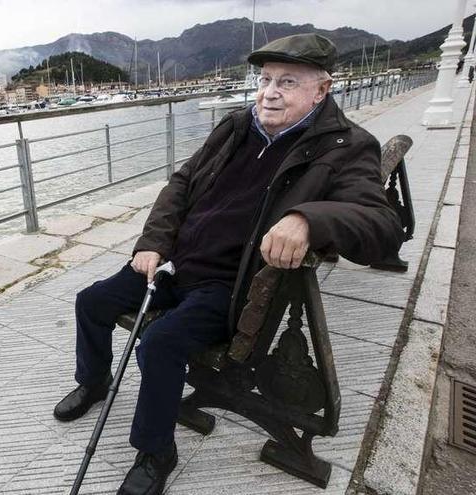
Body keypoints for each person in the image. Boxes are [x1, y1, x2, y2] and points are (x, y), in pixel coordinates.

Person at [53, 33, 405, 495]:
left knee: (159, 344)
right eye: (265, 79)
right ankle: (95, 379)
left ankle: (156, 451)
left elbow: (382, 223)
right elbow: (181, 183)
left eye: (288, 82)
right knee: (91, 301)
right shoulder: (237, 126)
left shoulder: (345, 146)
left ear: (322, 89)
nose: (270, 92)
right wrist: (154, 240)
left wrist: (307, 219)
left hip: (226, 285)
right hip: (173, 262)